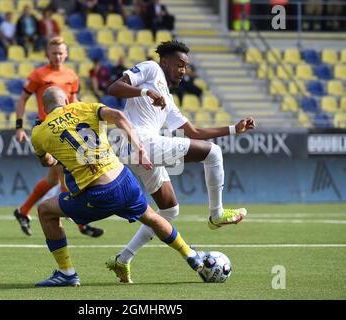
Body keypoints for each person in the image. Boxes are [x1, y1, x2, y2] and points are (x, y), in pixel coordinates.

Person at [106, 40, 256, 283]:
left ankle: (122, 260)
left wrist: (233, 129)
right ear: (165, 61)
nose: (183, 70)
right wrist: (146, 91)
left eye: (186, 66)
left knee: (169, 210)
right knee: (213, 153)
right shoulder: (151, 69)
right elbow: (114, 88)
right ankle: (216, 214)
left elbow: (193, 132)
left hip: (139, 150)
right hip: (140, 142)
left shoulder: (168, 99)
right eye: (179, 64)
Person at [32, 87, 207, 286]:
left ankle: (67, 273)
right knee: (152, 218)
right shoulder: (84, 107)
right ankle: (190, 254)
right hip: (125, 180)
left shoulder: (39, 132)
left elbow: (47, 162)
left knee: (45, 210)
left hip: (98, 195)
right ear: (65, 101)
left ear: (43, 108)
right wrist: (139, 147)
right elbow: (118, 115)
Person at [14, 36, 104, 238]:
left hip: (67, 128)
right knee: (64, 174)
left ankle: (22, 211)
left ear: (66, 53)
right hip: (49, 129)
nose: (58, 56)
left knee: (54, 178)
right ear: (47, 53)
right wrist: (19, 126)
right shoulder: (38, 75)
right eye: (54, 52)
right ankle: (81, 224)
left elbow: (74, 101)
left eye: (61, 52)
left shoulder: (72, 75)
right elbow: (22, 99)